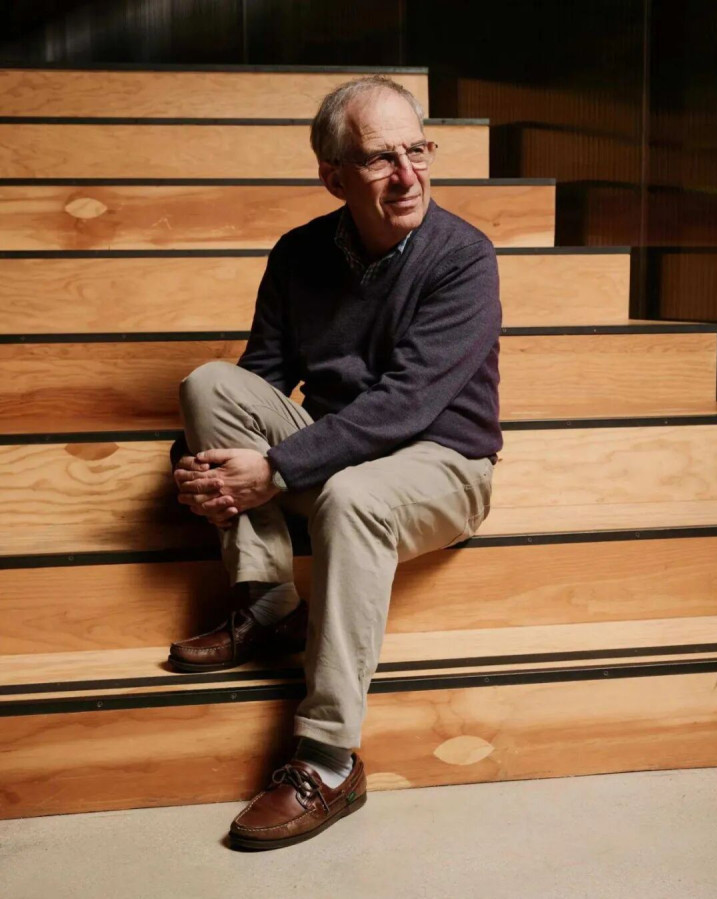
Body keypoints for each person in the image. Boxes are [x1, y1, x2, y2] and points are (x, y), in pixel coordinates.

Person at [167, 75, 502, 851]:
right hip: (334, 452)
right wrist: (194, 467)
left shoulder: (463, 258)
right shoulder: (298, 254)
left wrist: (276, 469)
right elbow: (259, 379)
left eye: (418, 151)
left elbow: (406, 404)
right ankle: (268, 602)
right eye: (383, 158)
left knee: (352, 496)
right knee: (207, 384)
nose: (408, 175)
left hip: (443, 465)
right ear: (333, 175)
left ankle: (327, 759)